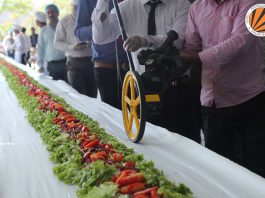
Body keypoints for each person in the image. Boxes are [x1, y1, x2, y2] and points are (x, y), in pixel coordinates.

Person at [92, 0, 203, 143]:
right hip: (142, 89)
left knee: (187, 146)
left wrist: (145, 41)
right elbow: (101, 37)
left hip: (177, 90)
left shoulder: (181, 4)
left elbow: (178, 41)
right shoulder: (125, 7)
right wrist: (102, 3)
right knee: (149, 147)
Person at [181, 0, 265, 177]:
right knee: (219, 171)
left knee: (257, 170)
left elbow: (240, 43)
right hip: (212, 102)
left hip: (250, 100)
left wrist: (195, 58)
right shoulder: (197, 7)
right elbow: (191, 46)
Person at [75, 0, 128, 109]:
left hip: (133, 63)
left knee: (139, 114)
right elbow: (79, 32)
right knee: (112, 113)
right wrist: (100, 26)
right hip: (105, 66)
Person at [54, 0, 97, 97]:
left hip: (91, 62)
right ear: (72, 7)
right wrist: (72, 47)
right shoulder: (64, 21)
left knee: (93, 95)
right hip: (74, 64)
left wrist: (91, 44)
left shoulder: (91, 19)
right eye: (76, 8)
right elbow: (57, 43)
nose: (79, 11)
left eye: (82, 8)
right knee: (78, 96)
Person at [37, 4, 67, 81]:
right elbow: (40, 48)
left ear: (58, 13)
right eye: (48, 12)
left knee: (70, 89)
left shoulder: (65, 26)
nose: (50, 14)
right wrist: (40, 65)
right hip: (52, 65)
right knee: (56, 89)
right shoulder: (43, 31)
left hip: (67, 63)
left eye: (53, 12)